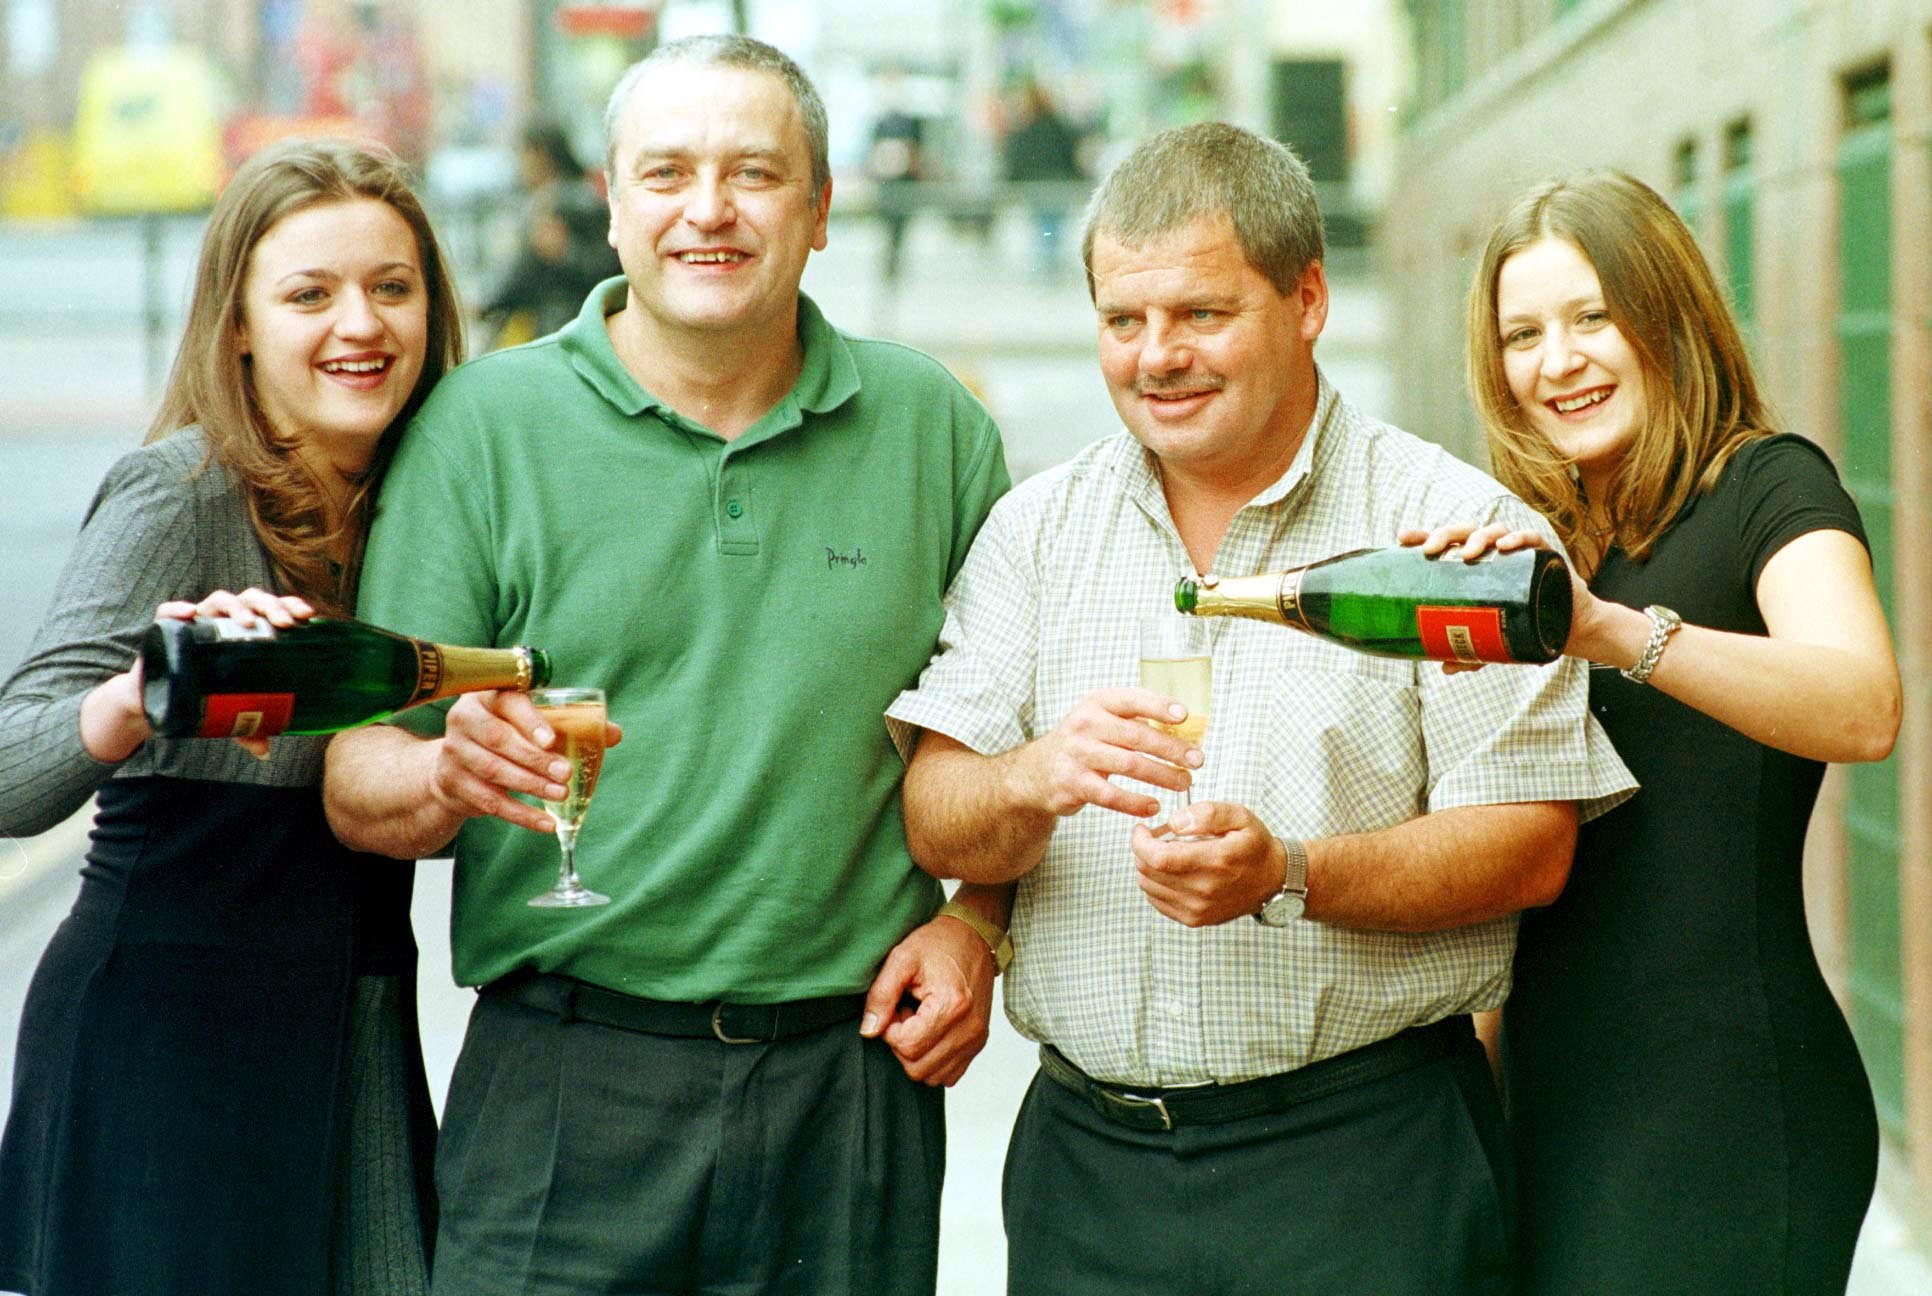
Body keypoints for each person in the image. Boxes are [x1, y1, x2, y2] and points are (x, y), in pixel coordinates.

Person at [887, 121, 1636, 1295]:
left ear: (1309, 299)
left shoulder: (1450, 531)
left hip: (1365, 1162)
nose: (1156, 356)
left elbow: (1528, 845)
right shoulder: (1036, 531)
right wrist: (1034, 775)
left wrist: (1288, 872)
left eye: (1200, 314)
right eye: (1123, 320)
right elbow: (937, 815)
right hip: (1088, 1171)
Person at [321, 35, 1010, 1296]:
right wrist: (447, 781)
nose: (708, 210)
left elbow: (1017, 747)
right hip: (564, 1077)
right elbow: (358, 778)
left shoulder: (936, 428)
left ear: (819, 209)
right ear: (613, 200)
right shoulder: (482, 429)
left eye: (754, 173)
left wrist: (980, 925)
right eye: (667, 173)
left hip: (849, 1080)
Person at [1404, 169, 1901, 1294]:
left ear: (1666, 312)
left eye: (1591, 317)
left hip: (1724, 1113)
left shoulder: (1769, 486)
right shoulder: (1555, 541)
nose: (1558, 360)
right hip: (1557, 1103)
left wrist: (1618, 634)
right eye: (1523, 335)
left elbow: (1864, 703)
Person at [0, 136, 463, 1296]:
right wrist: (152, 682)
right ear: (240, 324)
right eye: (310, 293)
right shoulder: (185, 489)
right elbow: (12, 772)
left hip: (351, 1020)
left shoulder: (431, 503)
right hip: (166, 1042)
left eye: (390, 287)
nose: (360, 324)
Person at [479, 117, 621, 345]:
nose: (521, 164)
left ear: (542, 154)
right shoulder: (549, 198)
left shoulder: (571, 201)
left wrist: (564, 252)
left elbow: (609, 265)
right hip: (560, 325)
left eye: (524, 154)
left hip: (563, 325)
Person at [1001, 76, 1085, 280]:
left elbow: (1017, 159)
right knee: (1052, 229)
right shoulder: (1060, 127)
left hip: (1035, 187)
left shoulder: (1024, 130)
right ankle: (1050, 268)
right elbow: (1071, 156)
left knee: (1042, 229)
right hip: (1058, 185)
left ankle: (1045, 270)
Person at [864, 65, 925, 287]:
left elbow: (919, 153)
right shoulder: (881, 123)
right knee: (889, 228)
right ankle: (890, 266)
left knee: (900, 228)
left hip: (905, 183)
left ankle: (895, 266)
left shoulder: (912, 122)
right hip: (888, 183)